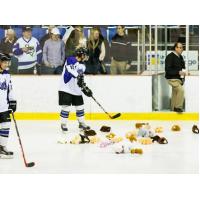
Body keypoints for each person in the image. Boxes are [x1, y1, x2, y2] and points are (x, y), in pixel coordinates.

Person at [58, 47, 92, 133]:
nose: (86, 57)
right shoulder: (70, 59)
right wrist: (78, 76)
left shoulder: (83, 65)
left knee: (80, 107)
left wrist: (84, 87)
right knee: (66, 107)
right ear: (81, 54)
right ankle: (63, 124)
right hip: (65, 88)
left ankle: (81, 123)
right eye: (85, 55)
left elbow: (80, 74)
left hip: (76, 89)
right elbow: (71, 70)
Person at [0, 53, 17, 159]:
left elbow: (9, 89)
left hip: (3, 106)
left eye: (7, 62)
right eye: (4, 62)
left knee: (6, 125)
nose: (6, 64)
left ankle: (2, 147)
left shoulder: (7, 74)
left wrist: (12, 101)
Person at [165, 42, 187, 113]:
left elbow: (183, 68)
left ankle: (172, 108)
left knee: (175, 93)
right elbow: (168, 70)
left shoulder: (180, 57)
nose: (181, 49)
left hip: (178, 79)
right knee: (181, 90)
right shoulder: (170, 57)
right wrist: (178, 72)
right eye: (180, 47)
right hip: (172, 79)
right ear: (176, 48)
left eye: (182, 48)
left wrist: (183, 76)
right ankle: (177, 107)